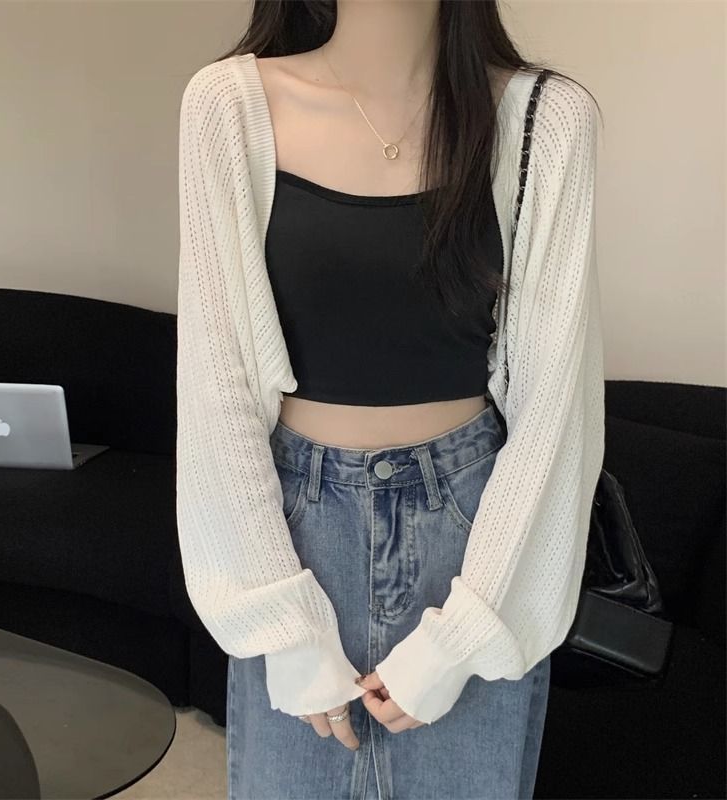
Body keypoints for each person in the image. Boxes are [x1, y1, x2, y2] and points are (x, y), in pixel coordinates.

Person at [176, 1, 605, 797]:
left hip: (477, 543)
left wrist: (464, 637)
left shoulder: (546, 122)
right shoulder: (229, 107)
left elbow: (557, 413)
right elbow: (216, 387)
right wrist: (281, 619)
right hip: (292, 536)